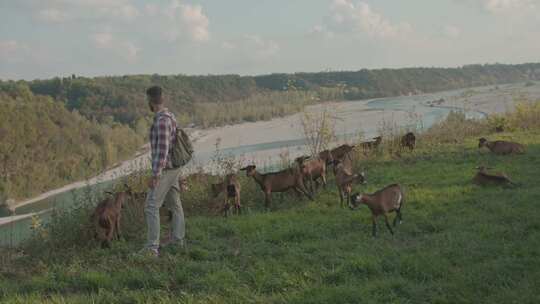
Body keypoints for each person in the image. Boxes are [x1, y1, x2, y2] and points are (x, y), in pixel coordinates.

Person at [142, 86, 185, 256]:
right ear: (162, 98)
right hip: (174, 167)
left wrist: (155, 175)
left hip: (165, 169)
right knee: (175, 204)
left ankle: (152, 248)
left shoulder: (161, 122)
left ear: (150, 101)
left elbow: (162, 150)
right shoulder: (170, 116)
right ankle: (177, 241)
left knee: (151, 206)